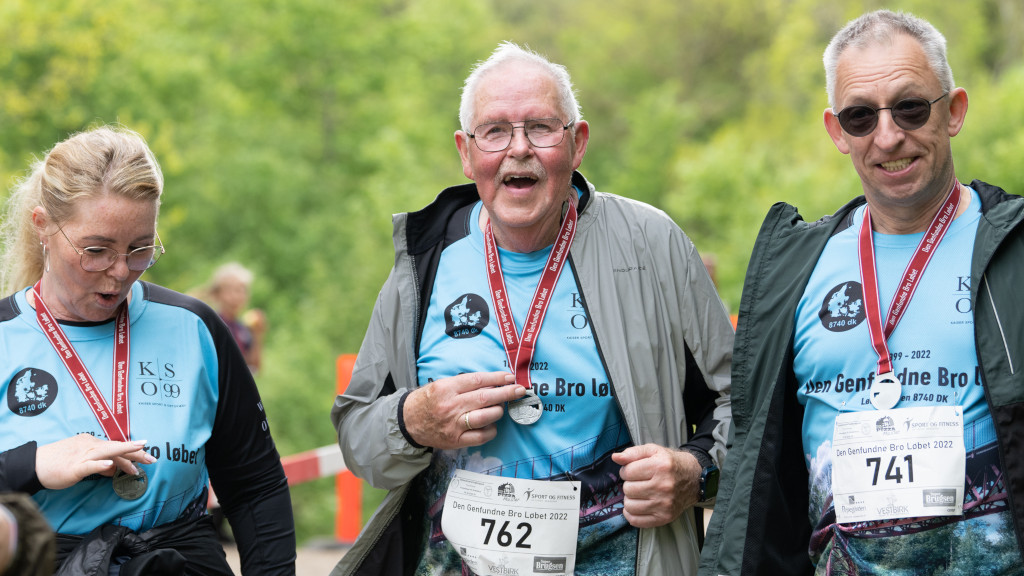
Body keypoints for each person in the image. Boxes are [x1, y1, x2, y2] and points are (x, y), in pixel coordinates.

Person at [330, 42, 733, 576]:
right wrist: (411, 421)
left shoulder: (650, 244)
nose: (518, 149)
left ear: (578, 142)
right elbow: (360, 436)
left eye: (541, 127)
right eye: (494, 131)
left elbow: (743, 405)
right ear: (465, 151)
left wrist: (696, 473)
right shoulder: (425, 262)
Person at [700, 10, 1024, 575]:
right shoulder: (792, 268)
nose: (888, 135)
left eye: (910, 107)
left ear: (955, 111)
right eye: (860, 116)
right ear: (835, 131)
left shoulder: (1013, 248)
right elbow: (761, 475)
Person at [0, 126, 295, 574]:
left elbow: (256, 486)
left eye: (140, 249)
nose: (120, 273)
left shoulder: (196, 328)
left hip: (179, 560)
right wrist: (33, 463)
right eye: (96, 250)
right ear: (43, 226)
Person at [206, 262, 267, 375]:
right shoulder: (212, 325)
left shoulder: (242, 328)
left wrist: (257, 334)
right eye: (230, 290)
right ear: (217, 294)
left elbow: (254, 367)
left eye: (242, 290)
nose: (237, 296)